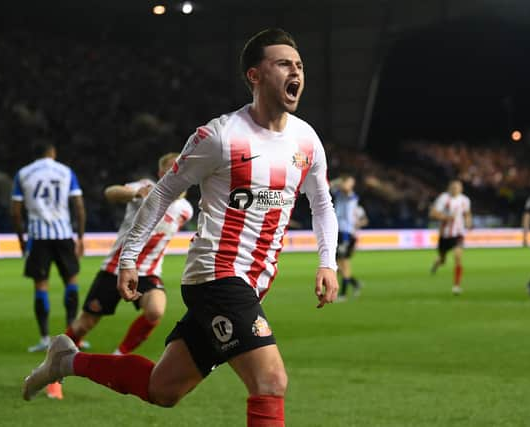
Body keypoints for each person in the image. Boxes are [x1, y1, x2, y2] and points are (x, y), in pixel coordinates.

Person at [23, 28, 339, 426]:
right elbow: (161, 193)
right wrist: (130, 258)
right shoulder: (221, 136)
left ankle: (68, 361)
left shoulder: (306, 139)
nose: (295, 71)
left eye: (299, 65)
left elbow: (323, 203)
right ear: (254, 76)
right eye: (283, 64)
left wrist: (327, 262)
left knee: (163, 389)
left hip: (252, 283)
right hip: (216, 276)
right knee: (270, 380)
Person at [44, 152, 194, 400]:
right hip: (117, 268)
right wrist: (135, 194)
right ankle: (53, 373)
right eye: (171, 168)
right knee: (83, 325)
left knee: (156, 310)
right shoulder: (145, 188)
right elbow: (110, 192)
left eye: (181, 168)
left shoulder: (185, 209)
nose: (177, 171)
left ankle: (118, 355)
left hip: (149, 272)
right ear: (160, 173)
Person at [11, 142, 86, 352]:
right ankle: (72, 337)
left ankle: (44, 338)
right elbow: (79, 206)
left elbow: (15, 212)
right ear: (52, 153)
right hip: (63, 234)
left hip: (38, 236)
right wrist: (80, 237)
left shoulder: (23, 173)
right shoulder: (65, 171)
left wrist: (21, 240)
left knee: (41, 285)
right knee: (71, 280)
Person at [429, 179, 472, 295]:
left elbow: (467, 213)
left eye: (458, 187)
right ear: (449, 188)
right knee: (443, 260)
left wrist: (468, 222)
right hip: (445, 235)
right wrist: (446, 217)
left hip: (458, 234)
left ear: (461, 189)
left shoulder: (465, 200)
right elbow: (432, 213)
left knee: (458, 257)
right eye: (453, 187)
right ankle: (437, 263)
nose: (455, 189)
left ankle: (456, 286)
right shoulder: (443, 198)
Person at [330, 174, 364, 301]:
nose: (351, 185)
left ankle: (343, 293)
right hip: (337, 231)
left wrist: (339, 182)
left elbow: (344, 188)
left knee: (343, 263)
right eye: (350, 182)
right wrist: (339, 181)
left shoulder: (352, 196)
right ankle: (354, 283)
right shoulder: (339, 194)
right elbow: (329, 186)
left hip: (346, 232)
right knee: (337, 264)